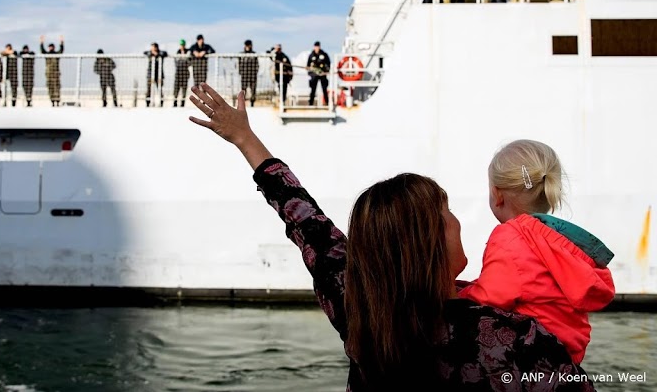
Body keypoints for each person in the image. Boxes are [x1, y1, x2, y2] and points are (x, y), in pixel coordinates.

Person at [186, 84, 596, 390]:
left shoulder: (361, 310)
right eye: (447, 213)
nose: (456, 221)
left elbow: (305, 221)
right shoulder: (513, 337)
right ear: (431, 242)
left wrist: (245, 139)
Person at [458, 140, 615, 364]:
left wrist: (455, 296)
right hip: (568, 352)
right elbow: (529, 282)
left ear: (497, 194)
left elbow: (490, 298)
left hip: (533, 351)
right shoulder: (558, 238)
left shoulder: (510, 236)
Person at [40, 35, 64, 106]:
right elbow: (42, 51)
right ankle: (52, 101)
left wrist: (61, 42)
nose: (50, 48)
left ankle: (57, 100)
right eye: (50, 47)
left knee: (57, 87)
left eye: (52, 47)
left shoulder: (56, 54)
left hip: (56, 73)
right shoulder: (47, 54)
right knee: (50, 87)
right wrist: (41, 42)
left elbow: (61, 50)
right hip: (49, 74)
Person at [306, 41, 331, 107]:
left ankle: (327, 102)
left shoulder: (324, 54)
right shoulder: (311, 55)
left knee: (324, 89)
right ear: (314, 47)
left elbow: (328, 63)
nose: (317, 48)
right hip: (314, 75)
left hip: (322, 74)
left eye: (318, 46)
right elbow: (308, 65)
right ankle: (311, 103)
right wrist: (310, 71)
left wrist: (326, 70)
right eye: (316, 47)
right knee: (313, 89)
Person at [144, 43, 167, 107]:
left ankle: (161, 103)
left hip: (159, 75)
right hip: (150, 75)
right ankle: (148, 103)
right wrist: (151, 53)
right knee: (149, 89)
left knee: (160, 89)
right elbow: (145, 52)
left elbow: (165, 53)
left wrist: (157, 54)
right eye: (152, 47)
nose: (152, 49)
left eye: (154, 47)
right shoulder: (149, 53)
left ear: (157, 48)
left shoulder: (161, 53)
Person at [238, 40, 259, 107]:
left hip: (252, 75)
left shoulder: (254, 54)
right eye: (247, 45)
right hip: (244, 75)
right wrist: (241, 72)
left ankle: (252, 103)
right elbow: (239, 64)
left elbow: (257, 64)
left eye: (249, 45)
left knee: (253, 90)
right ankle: (242, 104)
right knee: (243, 90)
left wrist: (255, 72)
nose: (248, 46)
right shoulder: (241, 54)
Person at [173, 39, 190, 107]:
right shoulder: (177, 52)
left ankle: (183, 102)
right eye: (181, 45)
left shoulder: (188, 52)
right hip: (178, 74)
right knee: (176, 88)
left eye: (183, 45)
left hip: (185, 74)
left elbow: (189, 62)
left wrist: (184, 58)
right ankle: (175, 101)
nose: (182, 46)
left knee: (184, 89)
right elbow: (176, 62)